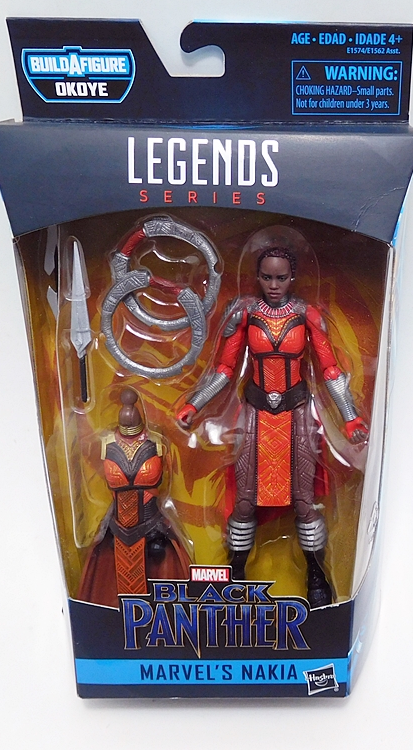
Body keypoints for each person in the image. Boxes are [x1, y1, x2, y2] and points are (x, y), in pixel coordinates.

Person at [177, 245, 367, 607]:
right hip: (256, 414)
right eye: (267, 277)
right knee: (245, 499)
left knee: (304, 500)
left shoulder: (307, 315)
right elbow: (224, 369)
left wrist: (349, 416)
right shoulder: (245, 314)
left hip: (297, 414)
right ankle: (235, 573)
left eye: (281, 278)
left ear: (292, 276)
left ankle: (315, 573)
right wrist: (194, 404)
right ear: (258, 277)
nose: (274, 285)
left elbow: (330, 369)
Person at [78, 388, 190, 607]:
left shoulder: (157, 442)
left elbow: (170, 476)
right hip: (118, 527)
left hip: (152, 525)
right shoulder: (107, 443)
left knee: (164, 574)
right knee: (107, 589)